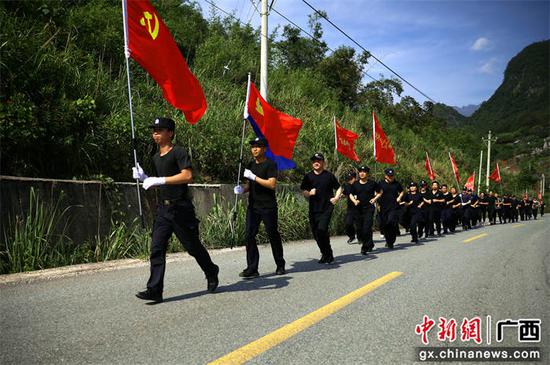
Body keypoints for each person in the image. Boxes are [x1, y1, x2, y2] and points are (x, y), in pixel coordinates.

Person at [132, 117, 219, 303]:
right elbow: (162, 184)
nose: (155, 133)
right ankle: (155, 289)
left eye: (160, 129)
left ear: (170, 133)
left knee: (192, 247)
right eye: (154, 130)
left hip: (180, 209)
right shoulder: (156, 157)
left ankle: (211, 270)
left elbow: (186, 176)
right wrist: (145, 178)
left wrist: (160, 180)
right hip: (163, 210)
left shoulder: (178, 152)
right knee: (156, 248)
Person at [233, 137, 286, 278]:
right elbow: (249, 185)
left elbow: (271, 184)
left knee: (272, 235)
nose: (254, 149)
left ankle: (280, 264)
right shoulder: (250, 165)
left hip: (268, 207)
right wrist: (242, 190)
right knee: (249, 235)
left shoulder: (270, 164)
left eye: (257, 146)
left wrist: (254, 177)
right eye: (252, 147)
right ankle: (252, 268)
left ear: (264, 149)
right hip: (254, 207)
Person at [300, 153, 341, 264]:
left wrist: (336, 198)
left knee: (321, 229)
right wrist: (309, 193)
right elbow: (304, 191)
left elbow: (339, 187)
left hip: (326, 208)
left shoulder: (329, 176)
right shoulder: (308, 176)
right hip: (313, 209)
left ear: (323, 162)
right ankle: (326, 253)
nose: (316, 163)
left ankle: (327, 253)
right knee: (316, 233)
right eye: (314, 161)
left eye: (318, 161)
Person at [349, 166, 382, 255]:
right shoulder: (355, 184)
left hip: (369, 209)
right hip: (358, 209)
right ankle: (370, 243)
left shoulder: (372, 183)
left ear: (367, 173)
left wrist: (375, 199)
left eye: (364, 172)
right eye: (360, 172)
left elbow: (380, 192)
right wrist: (355, 201)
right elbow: (350, 194)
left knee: (366, 228)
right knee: (359, 229)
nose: (362, 173)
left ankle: (365, 247)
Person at [377, 168, 404, 249]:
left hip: (394, 207)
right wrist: (377, 198)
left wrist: (399, 197)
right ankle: (388, 241)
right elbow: (376, 192)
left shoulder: (397, 183)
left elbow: (402, 191)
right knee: (385, 224)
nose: (391, 177)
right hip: (383, 207)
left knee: (391, 222)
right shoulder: (380, 183)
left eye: (392, 176)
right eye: (389, 176)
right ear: (385, 176)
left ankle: (391, 241)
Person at [342, 171, 358, 244]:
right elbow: (345, 193)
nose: (350, 180)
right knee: (348, 223)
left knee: (360, 225)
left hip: (360, 209)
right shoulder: (347, 185)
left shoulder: (359, 185)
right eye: (348, 179)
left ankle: (361, 237)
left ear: (355, 178)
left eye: (351, 178)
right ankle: (352, 236)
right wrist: (341, 195)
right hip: (351, 209)